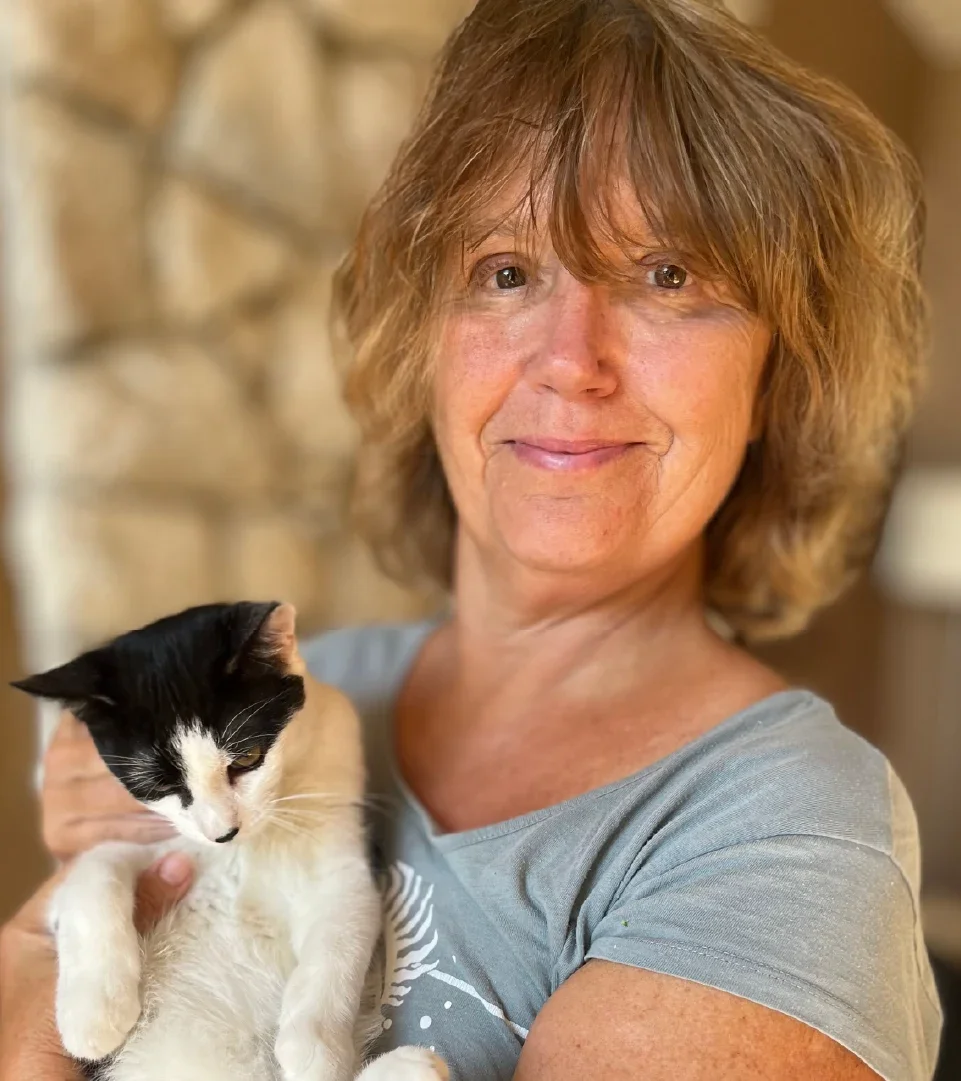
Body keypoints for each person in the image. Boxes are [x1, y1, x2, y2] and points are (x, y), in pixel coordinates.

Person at [0, 0, 942, 1078]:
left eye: (667, 274)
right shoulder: (304, 697)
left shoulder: (784, 832)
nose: (570, 359)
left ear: (778, 374)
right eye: (506, 271)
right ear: (424, 346)